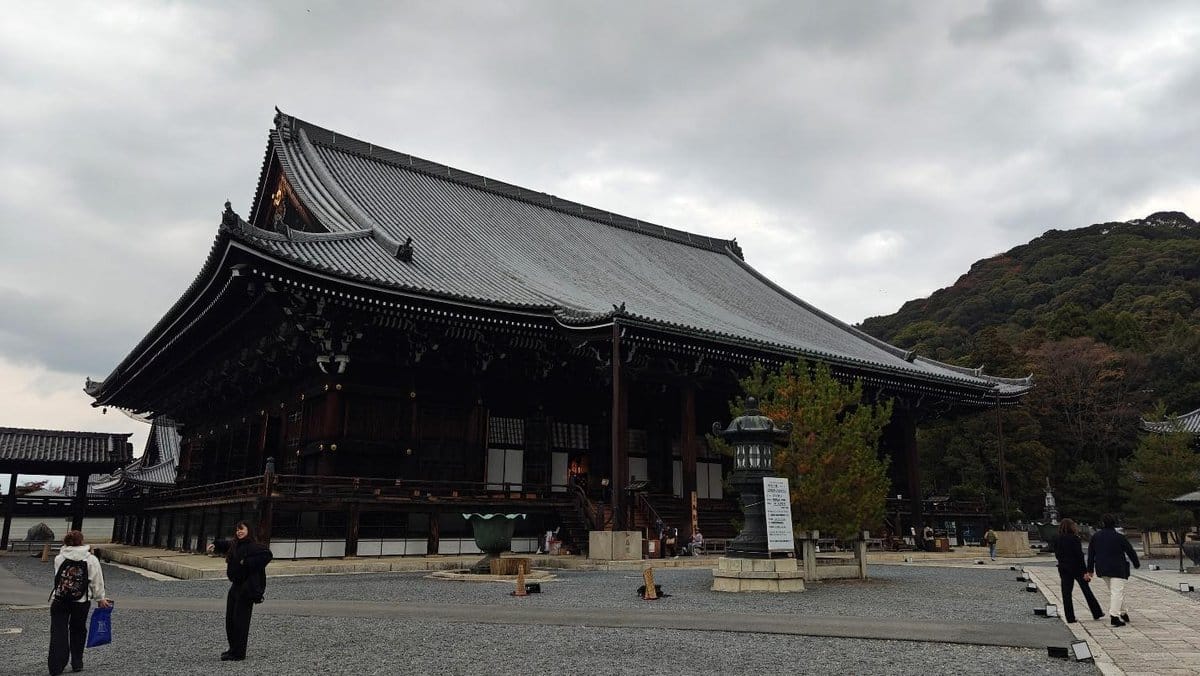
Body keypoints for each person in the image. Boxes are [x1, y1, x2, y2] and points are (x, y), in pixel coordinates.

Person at [48, 530, 112, 676]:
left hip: (60, 600)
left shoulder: (59, 558)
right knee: (78, 630)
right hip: (81, 600)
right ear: (82, 541)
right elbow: (97, 580)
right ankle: (77, 662)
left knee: (58, 631)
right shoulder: (91, 559)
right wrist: (100, 598)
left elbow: (58, 577)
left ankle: (56, 666)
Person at [207, 521, 273, 660]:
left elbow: (267, 555)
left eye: (242, 529)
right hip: (235, 586)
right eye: (237, 530)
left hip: (246, 587)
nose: (239, 532)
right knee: (230, 619)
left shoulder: (253, 546)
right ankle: (233, 649)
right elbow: (225, 544)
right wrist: (216, 544)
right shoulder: (236, 544)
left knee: (240, 621)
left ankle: (239, 653)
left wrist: (247, 562)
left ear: (248, 531)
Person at [1087, 513, 1140, 627]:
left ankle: (1123, 612)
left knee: (1115, 591)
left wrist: (1090, 569)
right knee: (1117, 592)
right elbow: (1130, 550)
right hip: (1117, 567)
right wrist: (1136, 563)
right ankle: (1114, 616)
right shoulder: (1119, 537)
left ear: (1102, 523)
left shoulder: (1096, 537)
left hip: (1102, 567)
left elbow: (1091, 554)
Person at [1053, 518, 1103, 623]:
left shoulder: (1057, 538)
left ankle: (1070, 617)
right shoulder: (1074, 539)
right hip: (1076, 568)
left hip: (1063, 567)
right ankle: (1096, 611)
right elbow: (1079, 555)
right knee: (1086, 590)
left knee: (1066, 593)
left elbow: (1057, 553)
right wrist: (1085, 571)